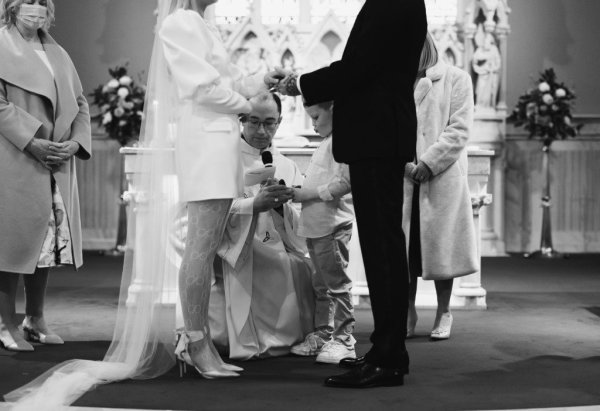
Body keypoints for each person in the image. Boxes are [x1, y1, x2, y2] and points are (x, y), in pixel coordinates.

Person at [5, 0, 281, 407]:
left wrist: (260, 82)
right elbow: (199, 88)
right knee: (200, 251)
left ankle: (198, 339)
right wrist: (249, 106)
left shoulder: (201, 23)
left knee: (207, 248)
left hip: (217, 141)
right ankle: (195, 342)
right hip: (205, 143)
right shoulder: (181, 22)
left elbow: (227, 78)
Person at [271, 0, 427, 388]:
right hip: (378, 136)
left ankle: (389, 358)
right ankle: (383, 352)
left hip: (377, 136)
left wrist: (302, 84)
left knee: (384, 250)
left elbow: (360, 69)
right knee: (380, 249)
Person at [0, 0, 91, 352]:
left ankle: (34, 319)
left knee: (46, 243)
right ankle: (5, 322)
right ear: (12, 6)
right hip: (16, 155)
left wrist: (75, 142)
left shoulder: (57, 51)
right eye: (28, 2)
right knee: (11, 241)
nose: (35, 9)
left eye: (41, 2)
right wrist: (31, 139)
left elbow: (80, 102)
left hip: (56, 158)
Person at [208, 92, 314, 360]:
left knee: (297, 266)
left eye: (270, 123)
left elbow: (303, 225)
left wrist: (280, 206)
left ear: (279, 122)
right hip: (231, 250)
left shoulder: (286, 165)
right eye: (253, 122)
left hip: (275, 246)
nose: (261, 131)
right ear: (241, 120)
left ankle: (279, 335)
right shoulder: (221, 158)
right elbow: (204, 215)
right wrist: (252, 205)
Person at [404, 33, 479, 340]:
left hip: (441, 176)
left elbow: (459, 128)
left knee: (441, 249)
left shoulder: (456, 78)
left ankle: (443, 310)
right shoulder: (397, 81)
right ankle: (406, 309)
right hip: (404, 176)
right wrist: (404, 163)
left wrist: (428, 162)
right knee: (406, 252)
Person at [289, 100, 356, 365]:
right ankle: (325, 334)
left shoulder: (343, 140)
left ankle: (345, 339)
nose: (313, 123)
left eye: (316, 117)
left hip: (331, 226)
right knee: (321, 285)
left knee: (337, 284)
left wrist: (307, 193)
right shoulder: (326, 141)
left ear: (334, 109)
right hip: (317, 227)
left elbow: (346, 182)